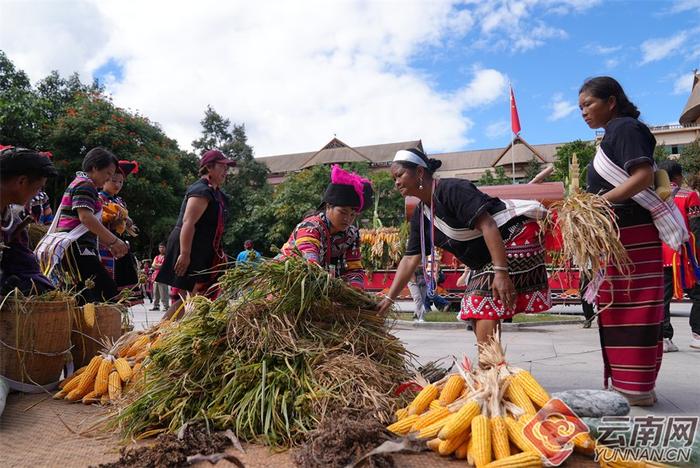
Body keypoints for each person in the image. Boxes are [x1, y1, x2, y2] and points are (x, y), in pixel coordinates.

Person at [579, 76, 687, 406]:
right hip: (619, 239)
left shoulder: (626, 128)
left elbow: (641, 177)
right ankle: (630, 385)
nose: (583, 112)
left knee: (634, 310)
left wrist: (596, 204)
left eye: (589, 104)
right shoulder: (613, 134)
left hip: (632, 238)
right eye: (580, 107)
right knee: (619, 309)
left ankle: (637, 389)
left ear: (611, 101)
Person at [376, 148, 551, 351]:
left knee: (480, 302)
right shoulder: (421, 215)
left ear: (420, 173)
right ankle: (491, 369)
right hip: (485, 258)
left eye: (400, 175)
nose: (396, 182)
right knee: (474, 308)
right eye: (394, 178)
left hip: (513, 239)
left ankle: (489, 369)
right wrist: (389, 299)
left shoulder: (453, 190)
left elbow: (488, 225)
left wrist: (501, 273)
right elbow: (410, 260)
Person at [35, 147, 129, 304]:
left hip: (77, 247)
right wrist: (114, 241)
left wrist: (108, 242)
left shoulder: (80, 183)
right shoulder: (86, 185)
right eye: (107, 173)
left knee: (83, 294)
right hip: (77, 248)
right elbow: (86, 218)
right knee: (106, 292)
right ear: (94, 168)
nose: (108, 179)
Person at [156, 149, 233, 319]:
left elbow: (215, 228)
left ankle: (176, 332)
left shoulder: (218, 194)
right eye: (222, 167)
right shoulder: (201, 190)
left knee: (198, 295)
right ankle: (156, 334)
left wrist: (220, 253)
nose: (226, 171)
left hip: (203, 248)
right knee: (187, 296)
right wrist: (185, 254)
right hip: (189, 245)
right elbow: (188, 222)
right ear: (209, 167)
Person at [278, 165, 373, 289]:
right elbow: (310, 264)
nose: (348, 219)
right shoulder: (310, 228)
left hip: (320, 285)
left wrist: (356, 292)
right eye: (342, 212)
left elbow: (354, 269)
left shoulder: (352, 235)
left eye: (353, 215)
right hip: (289, 284)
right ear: (328, 207)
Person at [0, 147, 58, 295]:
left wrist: (50, 292)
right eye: (38, 188)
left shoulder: (13, 221)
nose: (37, 194)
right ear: (22, 181)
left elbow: (25, 264)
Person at [658, 160, 700, 352]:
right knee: (698, 295)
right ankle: (697, 335)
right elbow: (696, 229)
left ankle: (665, 338)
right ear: (678, 176)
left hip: (660, 254)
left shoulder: (654, 197)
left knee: (662, 299)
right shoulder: (689, 195)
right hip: (683, 256)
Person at [98, 160, 140, 300]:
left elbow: (128, 221)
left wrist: (127, 221)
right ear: (105, 179)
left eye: (120, 182)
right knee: (107, 282)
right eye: (113, 181)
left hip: (119, 245)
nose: (117, 185)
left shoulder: (120, 201)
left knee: (122, 282)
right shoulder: (98, 198)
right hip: (103, 245)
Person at [151, 243, 170, 311]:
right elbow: (153, 265)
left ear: (165, 248)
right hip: (155, 277)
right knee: (155, 293)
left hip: (163, 277)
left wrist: (157, 266)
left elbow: (164, 266)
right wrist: (158, 266)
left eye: (162, 247)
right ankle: (156, 305)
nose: (161, 249)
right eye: (160, 247)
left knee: (163, 293)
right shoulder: (156, 257)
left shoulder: (167, 257)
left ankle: (166, 306)